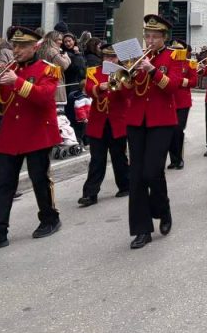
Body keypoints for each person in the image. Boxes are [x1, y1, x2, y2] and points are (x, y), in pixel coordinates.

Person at [0, 27, 63, 252]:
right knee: (3, 183)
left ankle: (50, 218)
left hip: (37, 133)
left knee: (39, 178)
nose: (17, 50)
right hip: (12, 134)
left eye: (22, 46)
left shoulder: (48, 69)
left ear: (35, 47)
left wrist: (17, 82)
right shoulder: (7, 71)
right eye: (15, 46)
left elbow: (43, 97)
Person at [123, 14, 184, 250]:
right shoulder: (136, 58)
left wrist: (152, 71)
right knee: (136, 176)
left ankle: (163, 208)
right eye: (147, 36)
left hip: (162, 120)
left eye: (154, 37)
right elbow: (125, 92)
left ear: (163, 38)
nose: (149, 41)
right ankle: (141, 230)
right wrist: (126, 76)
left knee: (152, 172)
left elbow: (174, 86)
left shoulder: (174, 56)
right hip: (136, 120)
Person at [79, 44, 130, 206]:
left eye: (113, 57)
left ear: (118, 58)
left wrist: (120, 81)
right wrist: (99, 87)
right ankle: (90, 193)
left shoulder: (124, 72)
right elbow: (87, 90)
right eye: (107, 57)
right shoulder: (93, 72)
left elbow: (129, 94)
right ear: (103, 58)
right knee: (97, 159)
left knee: (119, 157)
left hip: (117, 121)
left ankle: (125, 186)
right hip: (98, 122)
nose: (110, 60)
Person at [167, 42, 197, 171]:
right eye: (174, 49)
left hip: (183, 102)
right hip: (169, 100)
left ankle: (179, 158)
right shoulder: (168, 61)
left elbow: (194, 82)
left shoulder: (190, 63)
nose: (176, 51)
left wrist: (180, 81)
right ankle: (173, 159)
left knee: (178, 130)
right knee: (169, 131)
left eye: (179, 49)